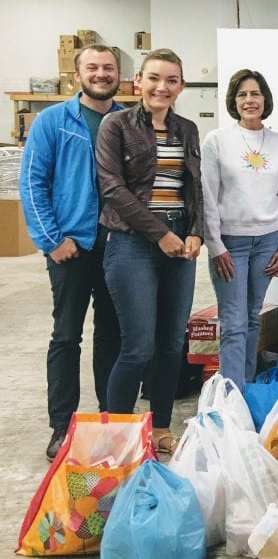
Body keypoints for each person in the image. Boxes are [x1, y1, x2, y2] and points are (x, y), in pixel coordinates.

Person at [95, 49, 202, 456]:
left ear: (181, 86)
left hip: (179, 241)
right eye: (155, 78)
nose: (163, 87)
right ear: (138, 81)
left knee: (172, 344)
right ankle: (119, 433)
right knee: (137, 345)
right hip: (132, 241)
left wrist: (195, 233)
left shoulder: (188, 129)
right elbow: (112, 187)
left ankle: (159, 426)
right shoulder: (116, 125)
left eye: (172, 80)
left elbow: (196, 188)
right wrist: (160, 234)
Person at [20, 45, 123, 460]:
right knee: (66, 335)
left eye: (108, 68)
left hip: (118, 246)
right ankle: (62, 426)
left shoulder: (125, 120)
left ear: (119, 75)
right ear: (77, 74)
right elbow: (32, 183)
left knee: (113, 335)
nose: (101, 74)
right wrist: (52, 240)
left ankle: (111, 419)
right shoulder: (53, 122)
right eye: (93, 68)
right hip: (72, 247)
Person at [201, 69, 278, 389]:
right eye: (242, 94)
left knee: (252, 316)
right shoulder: (217, 141)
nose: (249, 100)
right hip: (231, 243)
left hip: (268, 242)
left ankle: (246, 383)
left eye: (255, 93)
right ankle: (231, 395)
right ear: (234, 101)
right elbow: (207, 196)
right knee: (233, 322)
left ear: (265, 99)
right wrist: (215, 246)